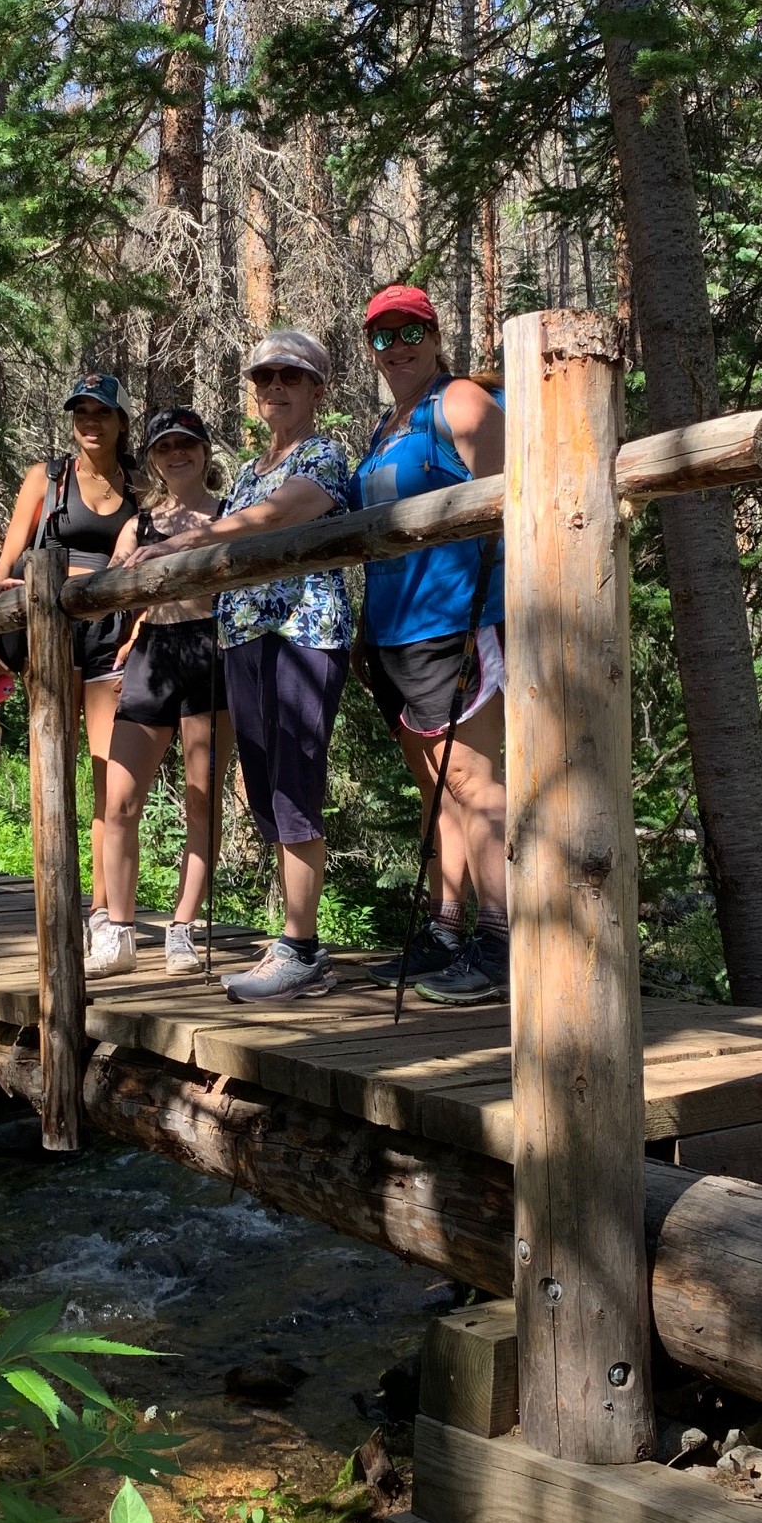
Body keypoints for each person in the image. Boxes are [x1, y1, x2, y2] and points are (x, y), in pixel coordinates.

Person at [123, 330, 352, 1004]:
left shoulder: (322, 454)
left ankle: (301, 948)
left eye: (291, 376)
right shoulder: (251, 470)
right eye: (264, 378)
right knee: (265, 786)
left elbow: (282, 514)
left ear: (317, 389)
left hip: (303, 633)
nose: (275, 387)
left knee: (294, 782)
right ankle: (295, 941)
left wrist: (188, 541)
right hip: (245, 639)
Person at [350, 285, 509, 1004]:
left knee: (472, 782)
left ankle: (501, 940)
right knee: (437, 787)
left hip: (457, 618)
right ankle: (445, 931)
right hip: (395, 631)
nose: (397, 347)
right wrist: (366, 629)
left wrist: (496, 603)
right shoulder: (386, 426)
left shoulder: (461, 401)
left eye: (410, 331)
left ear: (436, 335)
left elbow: (513, 496)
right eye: (382, 337)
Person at [0, 373, 139, 945]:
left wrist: (138, 627)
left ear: (121, 420)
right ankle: (55, 897)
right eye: (81, 413)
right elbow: (8, 559)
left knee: (108, 775)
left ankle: (101, 908)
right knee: (54, 769)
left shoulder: (139, 486)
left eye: (102, 412)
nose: (90, 422)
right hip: (49, 633)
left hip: (111, 636)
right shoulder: (47, 478)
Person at [86, 407, 235, 980]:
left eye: (187, 444)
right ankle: (119, 932)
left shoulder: (229, 514)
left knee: (201, 800)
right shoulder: (140, 524)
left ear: (204, 451)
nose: (177, 455)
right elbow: (107, 590)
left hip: (210, 654)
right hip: (152, 657)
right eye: (165, 447)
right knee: (120, 801)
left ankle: (183, 928)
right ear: (151, 458)